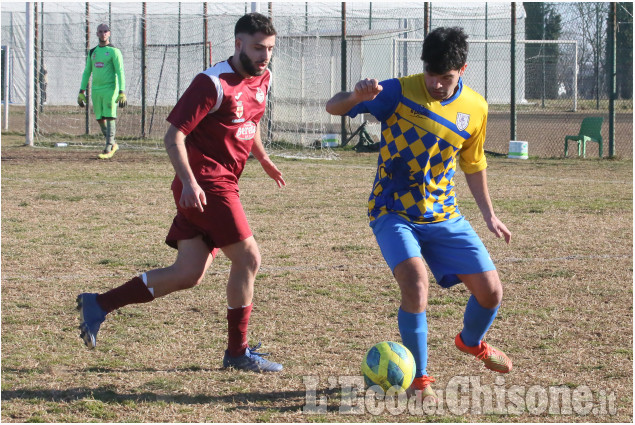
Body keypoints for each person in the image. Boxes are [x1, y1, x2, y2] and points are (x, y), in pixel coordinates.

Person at [76, 13, 285, 373]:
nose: (264, 56)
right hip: (205, 182)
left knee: (188, 273)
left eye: (269, 49)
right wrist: (189, 182)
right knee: (249, 257)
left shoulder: (262, 77)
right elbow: (173, 136)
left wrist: (262, 157)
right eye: (257, 48)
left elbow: (251, 122)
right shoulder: (211, 82)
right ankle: (237, 353)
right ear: (238, 44)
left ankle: (98, 304)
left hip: (220, 183)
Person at [326, 27, 513, 400]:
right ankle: (419, 379)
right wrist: (355, 96)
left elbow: (473, 165)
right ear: (423, 67)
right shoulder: (397, 91)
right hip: (392, 211)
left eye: (446, 77)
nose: (436, 84)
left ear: (462, 69)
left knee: (491, 293)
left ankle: (471, 342)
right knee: (415, 283)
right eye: (431, 74)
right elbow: (333, 107)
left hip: (444, 214)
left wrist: (489, 215)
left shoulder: (475, 109)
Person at [78, 23, 127, 159]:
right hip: (96, 90)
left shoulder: (114, 51)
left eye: (105, 31)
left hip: (110, 89)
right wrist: (81, 91)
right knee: (100, 117)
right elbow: (87, 71)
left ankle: (108, 147)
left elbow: (120, 72)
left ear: (109, 33)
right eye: (100, 31)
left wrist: (122, 91)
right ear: (97, 34)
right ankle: (113, 143)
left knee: (110, 115)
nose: (103, 33)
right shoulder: (92, 52)